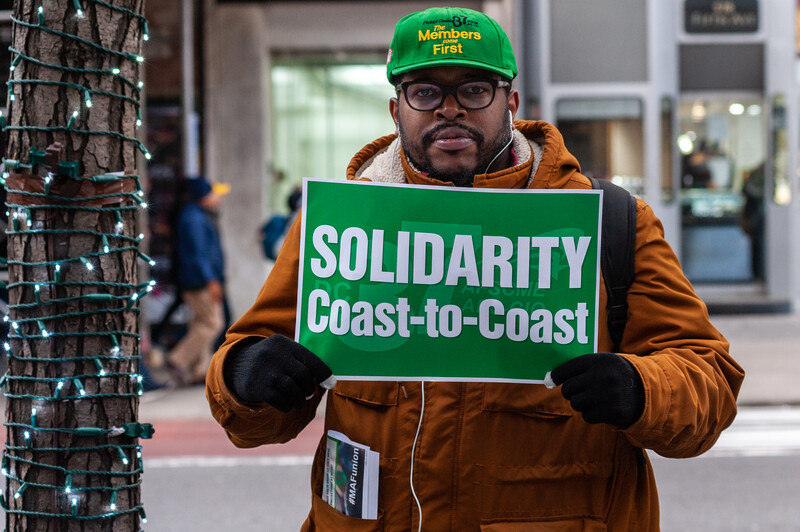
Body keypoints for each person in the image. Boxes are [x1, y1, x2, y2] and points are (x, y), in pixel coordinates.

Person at [206, 7, 744, 531]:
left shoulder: (609, 222)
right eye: (425, 92)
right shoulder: (340, 226)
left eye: (473, 90)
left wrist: (641, 387)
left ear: (509, 102)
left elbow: (709, 385)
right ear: (397, 111)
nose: (450, 109)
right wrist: (244, 375)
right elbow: (255, 417)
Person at [167, 176, 228, 386]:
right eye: (213, 193)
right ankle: (178, 359)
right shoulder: (194, 219)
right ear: (202, 195)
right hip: (200, 281)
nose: (217, 197)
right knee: (213, 322)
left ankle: (199, 370)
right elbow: (198, 254)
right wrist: (211, 279)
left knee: (200, 322)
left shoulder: (194, 216)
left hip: (196, 278)